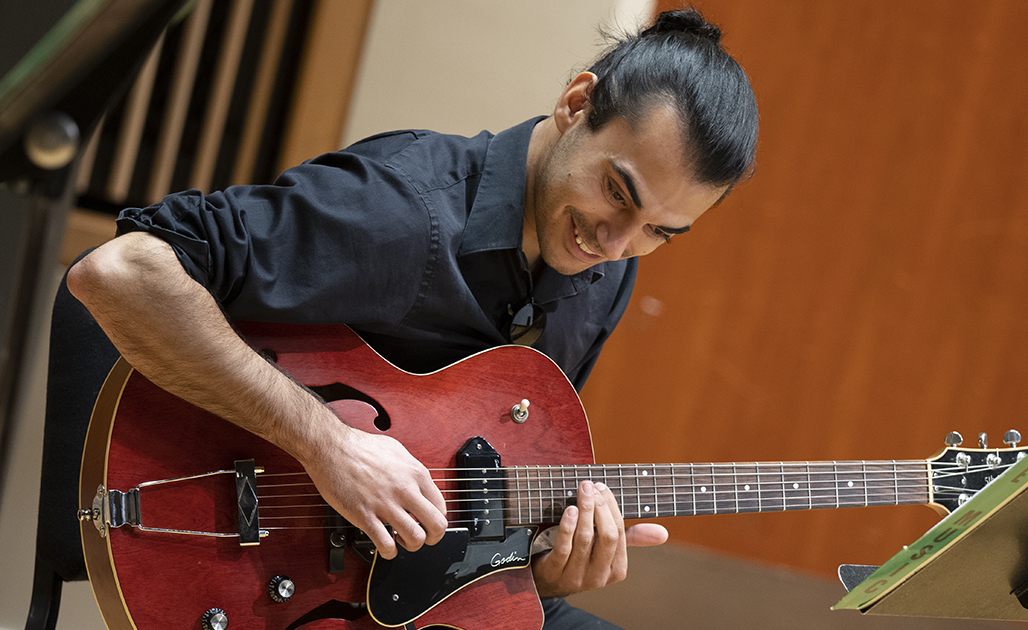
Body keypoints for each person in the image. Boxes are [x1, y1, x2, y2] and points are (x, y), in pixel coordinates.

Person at [67, 7, 758, 628]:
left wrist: (547, 565)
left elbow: (480, 504)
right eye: (616, 192)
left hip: (412, 598)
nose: (615, 243)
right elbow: (121, 274)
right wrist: (326, 445)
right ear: (576, 104)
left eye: (659, 231)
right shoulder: (397, 210)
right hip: (251, 579)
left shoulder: (606, 273)